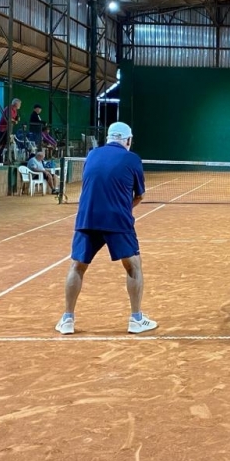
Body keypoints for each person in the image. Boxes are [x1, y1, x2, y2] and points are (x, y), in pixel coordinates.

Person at [55, 122, 157, 335]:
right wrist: (122, 208)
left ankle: (67, 320)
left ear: (109, 138)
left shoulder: (92, 155)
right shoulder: (132, 159)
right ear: (128, 140)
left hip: (87, 217)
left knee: (77, 266)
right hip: (117, 219)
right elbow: (139, 195)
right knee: (133, 266)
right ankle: (136, 319)